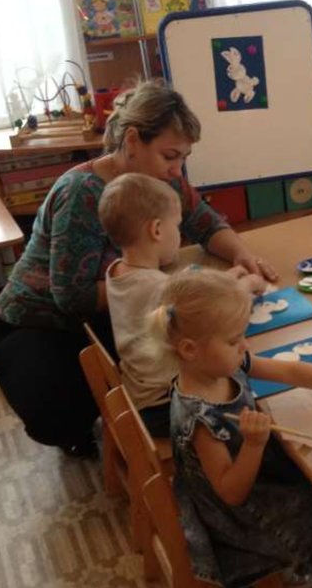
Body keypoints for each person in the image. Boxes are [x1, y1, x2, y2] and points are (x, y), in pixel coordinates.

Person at [0, 79, 279, 458]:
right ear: (132, 141)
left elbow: (206, 223)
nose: (177, 170)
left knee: (195, 344)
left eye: (183, 158)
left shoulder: (162, 181)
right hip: (37, 325)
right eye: (169, 156)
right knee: (64, 408)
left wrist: (242, 254)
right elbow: (72, 296)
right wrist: (168, 287)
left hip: (111, 309)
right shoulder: (81, 192)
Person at [156, 270, 312, 588]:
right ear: (189, 349)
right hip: (237, 518)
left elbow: (288, 370)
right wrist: (254, 445)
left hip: (257, 470)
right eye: (233, 340)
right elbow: (231, 493)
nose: (244, 345)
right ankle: (276, 562)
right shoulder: (199, 420)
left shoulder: (220, 366)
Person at [99, 172, 264, 437]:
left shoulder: (117, 271)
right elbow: (212, 304)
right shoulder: (158, 287)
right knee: (249, 391)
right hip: (165, 406)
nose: (179, 235)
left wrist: (226, 277)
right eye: (176, 227)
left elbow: (185, 286)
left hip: (140, 396)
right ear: (156, 230)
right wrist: (246, 285)